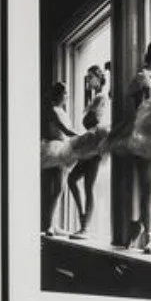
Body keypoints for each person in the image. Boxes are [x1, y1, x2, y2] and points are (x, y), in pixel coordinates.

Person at [116, 40, 151, 253]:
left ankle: (138, 224)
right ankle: (149, 237)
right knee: (147, 189)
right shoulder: (141, 77)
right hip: (146, 135)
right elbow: (137, 110)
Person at [64, 64, 110, 240]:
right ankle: (83, 218)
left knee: (87, 185)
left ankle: (85, 226)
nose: (88, 80)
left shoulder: (101, 97)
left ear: (98, 78)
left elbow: (96, 120)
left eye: (91, 77)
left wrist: (89, 121)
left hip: (95, 143)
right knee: (72, 179)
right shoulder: (95, 98)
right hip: (90, 144)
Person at [39, 80, 77, 236]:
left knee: (58, 189)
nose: (67, 96)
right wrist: (85, 137)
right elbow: (66, 131)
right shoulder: (53, 111)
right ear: (60, 95)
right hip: (55, 149)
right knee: (54, 189)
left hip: (61, 148)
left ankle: (51, 224)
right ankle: (48, 224)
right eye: (65, 93)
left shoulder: (62, 111)